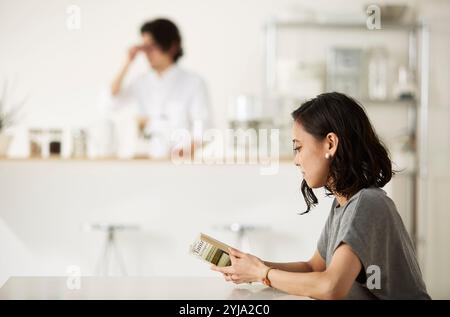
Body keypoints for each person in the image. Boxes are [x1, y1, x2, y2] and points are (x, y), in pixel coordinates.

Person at [211, 92, 430, 300]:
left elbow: (331, 286)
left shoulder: (368, 203)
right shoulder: (343, 204)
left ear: (330, 144)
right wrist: (256, 267)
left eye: (298, 148)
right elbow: (315, 267)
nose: (296, 160)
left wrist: (263, 273)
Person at [107, 18, 210, 158]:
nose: (147, 53)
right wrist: (128, 62)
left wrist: (175, 158)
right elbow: (112, 100)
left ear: (172, 46)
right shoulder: (141, 82)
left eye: (152, 46)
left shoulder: (194, 83)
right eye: (144, 47)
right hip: (147, 164)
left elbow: (202, 130)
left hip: (179, 165)